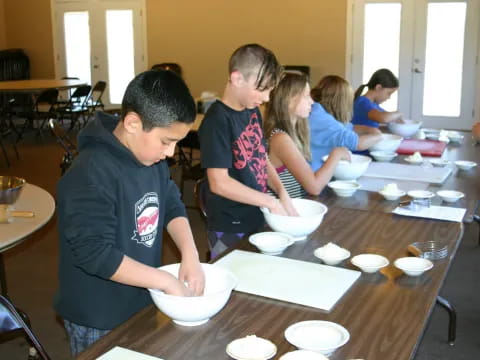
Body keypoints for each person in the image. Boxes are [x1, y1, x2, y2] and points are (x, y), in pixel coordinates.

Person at [55, 70, 205, 356]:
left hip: (139, 300)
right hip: (98, 316)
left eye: (176, 143)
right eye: (166, 141)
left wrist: (190, 253)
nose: (171, 153)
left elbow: (171, 202)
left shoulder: (151, 158)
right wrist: (166, 280)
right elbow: (95, 254)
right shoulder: (90, 172)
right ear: (133, 123)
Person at [199, 43, 297, 258]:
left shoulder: (251, 112)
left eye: (270, 90)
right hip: (229, 224)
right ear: (237, 79)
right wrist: (270, 201)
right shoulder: (217, 121)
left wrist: (281, 192)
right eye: (262, 89)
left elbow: (261, 157)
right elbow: (219, 183)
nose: (267, 98)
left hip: (256, 214)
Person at [264, 72, 350, 197]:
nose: (312, 101)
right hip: (284, 213)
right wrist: (336, 154)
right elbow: (314, 188)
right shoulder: (280, 139)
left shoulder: (293, 133)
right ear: (289, 100)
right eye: (306, 96)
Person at [309, 75, 382, 171]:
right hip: (315, 174)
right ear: (342, 102)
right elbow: (358, 144)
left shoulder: (319, 111)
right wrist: (379, 136)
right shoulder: (321, 118)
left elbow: (348, 127)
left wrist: (370, 130)